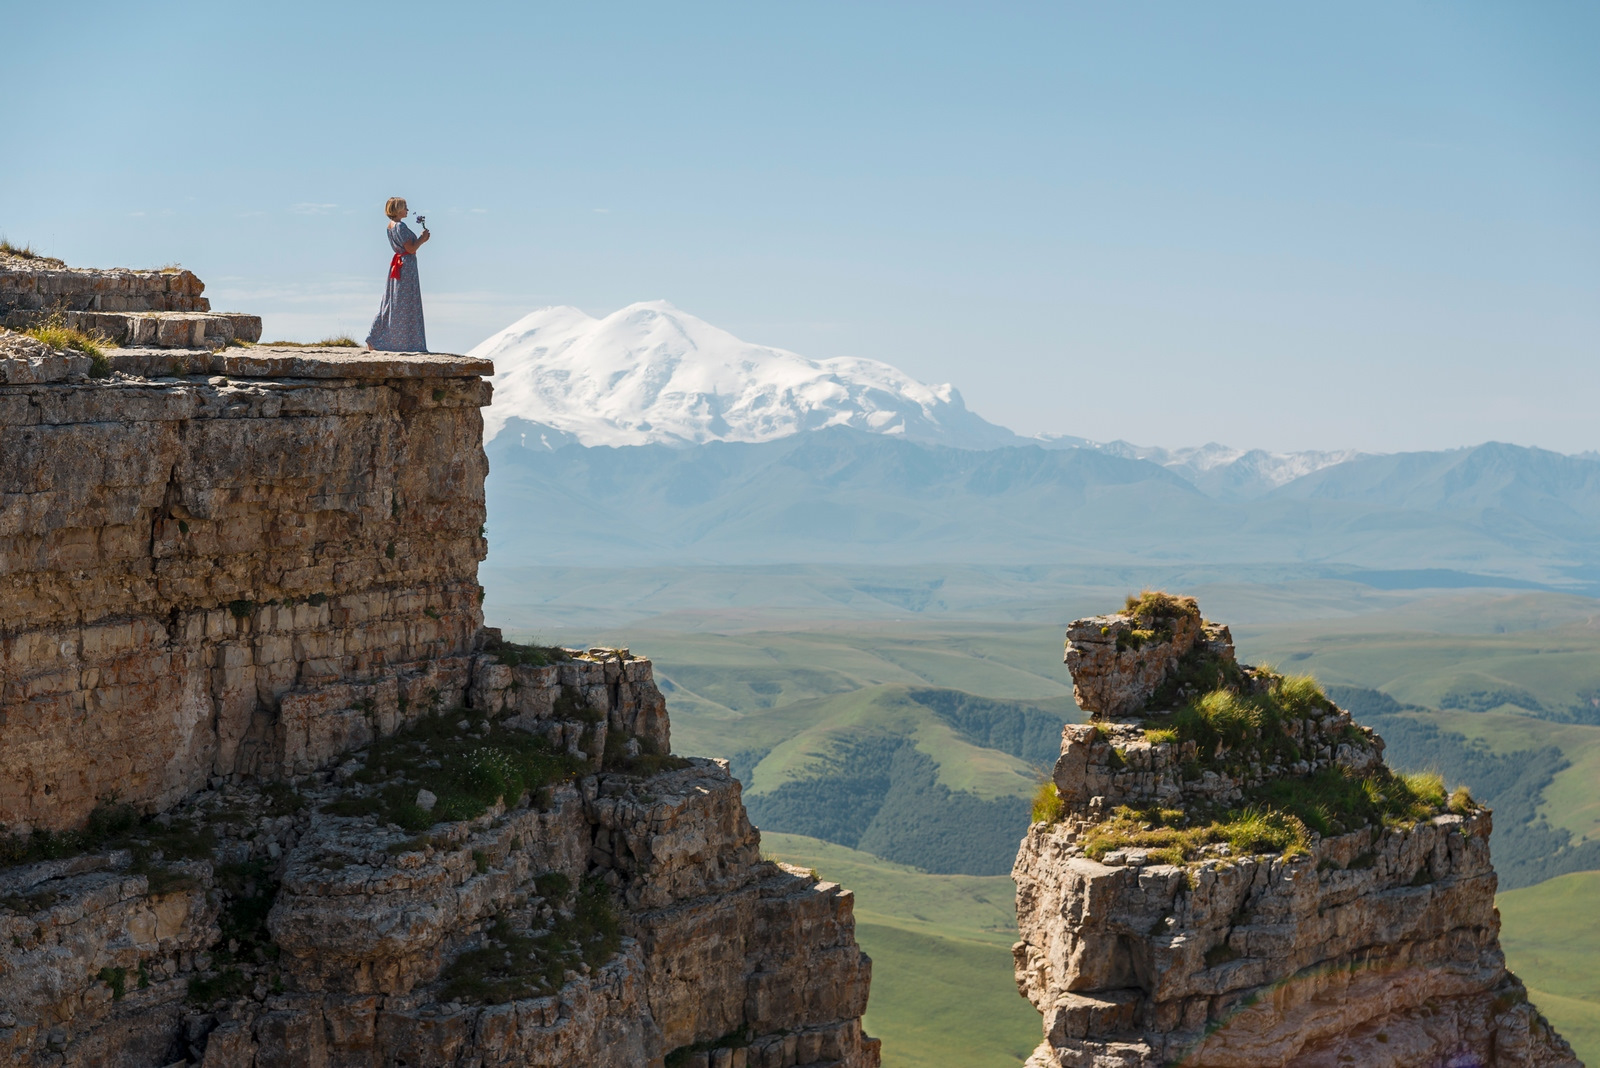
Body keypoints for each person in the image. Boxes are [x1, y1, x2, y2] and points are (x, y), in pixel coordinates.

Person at [366, 196, 430, 351]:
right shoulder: (400, 226)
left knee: (391, 301)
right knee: (405, 302)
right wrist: (422, 238)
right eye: (404, 207)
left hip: (399, 265)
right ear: (397, 209)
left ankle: (375, 337)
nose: (407, 210)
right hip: (406, 266)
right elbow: (410, 248)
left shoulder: (390, 226)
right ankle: (403, 342)